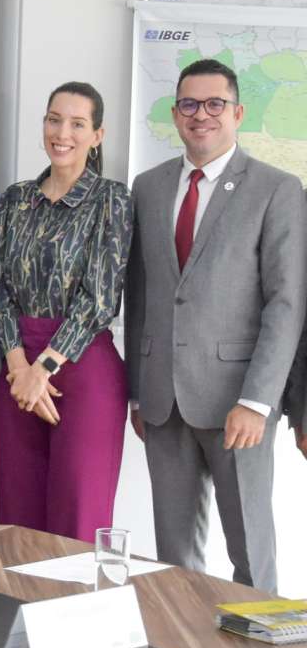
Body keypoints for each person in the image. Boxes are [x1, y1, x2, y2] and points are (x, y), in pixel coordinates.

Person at [125, 58, 305, 593]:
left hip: (237, 403)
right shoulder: (149, 186)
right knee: (174, 559)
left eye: (214, 104)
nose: (200, 115)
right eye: (188, 104)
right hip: (162, 401)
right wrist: (138, 391)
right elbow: (141, 293)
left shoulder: (277, 188)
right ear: (176, 114)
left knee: (250, 550)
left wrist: (258, 402)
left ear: (238, 112)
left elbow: (287, 303)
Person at [0, 82, 131, 541]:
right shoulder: (15, 198)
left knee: (77, 513)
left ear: (97, 135)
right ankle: (21, 608)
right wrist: (18, 367)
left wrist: (41, 369)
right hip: (16, 368)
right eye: (53, 119)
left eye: (77, 123)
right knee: (18, 513)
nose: (61, 132)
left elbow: (101, 298)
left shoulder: (111, 199)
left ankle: (74, 612)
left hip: (83, 369)